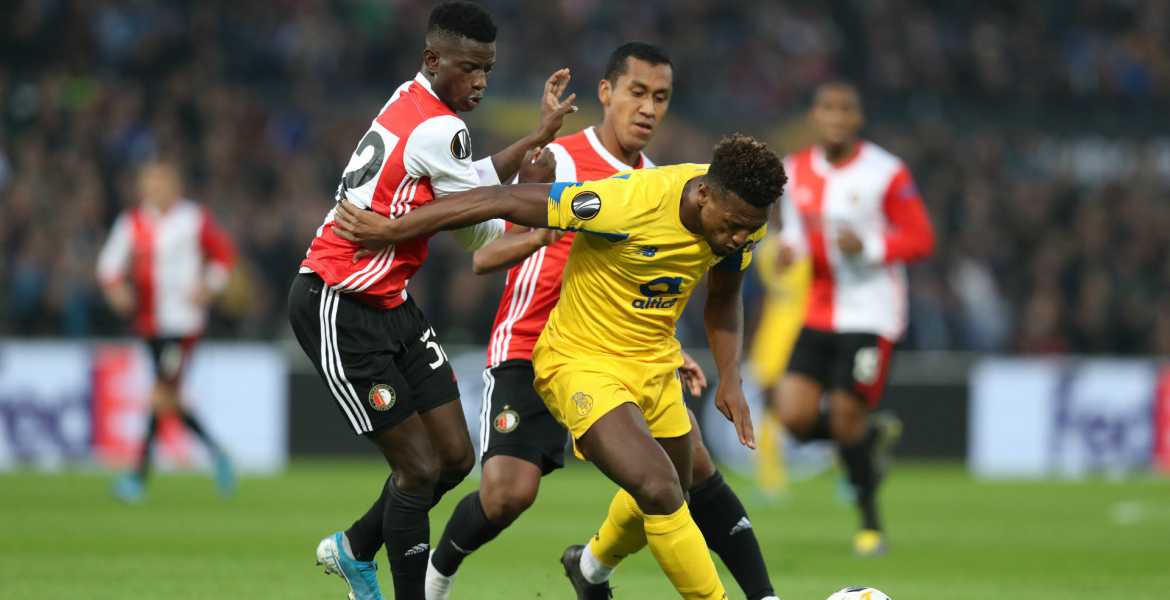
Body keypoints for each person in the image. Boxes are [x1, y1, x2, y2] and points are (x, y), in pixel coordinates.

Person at [331, 133, 787, 600]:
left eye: (749, 229)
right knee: (657, 487)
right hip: (582, 361)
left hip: (652, 362)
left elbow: (724, 297)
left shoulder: (744, 220)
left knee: (674, 489)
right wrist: (394, 229)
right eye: (733, 226)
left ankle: (590, 567)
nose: (739, 238)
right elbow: (500, 198)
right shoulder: (626, 201)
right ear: (704, 194)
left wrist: (730, 377)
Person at [423, 42, 777, 600]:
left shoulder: (679, 189)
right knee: (508, 496)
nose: (648, 108)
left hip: (626, 353)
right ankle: (435, 575)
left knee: (682, 475)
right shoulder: (559, 162)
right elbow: (483, 256)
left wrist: (675, 347)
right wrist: (543, 235)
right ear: (606, 93)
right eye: (637, 92)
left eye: (661, 97)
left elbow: (663, 285)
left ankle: (593, 567)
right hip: (534, 339)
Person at [285, 3, 576, 599]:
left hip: (389, 301)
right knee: (418, 468)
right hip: (339, 301)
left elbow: (468, 186)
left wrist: (535, 138)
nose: (480, 81)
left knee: (454, 456)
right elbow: (479, 231)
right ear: (433, 59)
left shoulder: (412, 102)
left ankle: (354, 548)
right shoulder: (442, 129)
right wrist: (536, 206)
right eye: (469, 68)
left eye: (488, 69)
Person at [770, 82, 935, 556]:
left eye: (846, 109)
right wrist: (787, 250)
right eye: (828, 109)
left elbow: (921, 238)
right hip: (819, 311)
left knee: (845, 417)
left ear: (858, 118)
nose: (837, 118)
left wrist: (872, 247)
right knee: (793, 416)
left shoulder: (886, 172)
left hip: (871, 313)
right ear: (815, 116)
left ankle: (870, 526)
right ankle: (871, 436)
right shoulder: (795, 169)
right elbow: (797, 232)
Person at [96, 159, 237, 503]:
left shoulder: (193, 219)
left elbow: (223, 257)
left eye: (160, 183)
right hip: (149, 325)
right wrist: (117, 291)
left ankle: (137, 477)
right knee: (168, 399)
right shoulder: (132, 222)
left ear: (175, 186)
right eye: (149, 183)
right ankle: (218, 453)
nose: (154, 189)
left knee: (159, 394)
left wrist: (209, 286)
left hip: (183, 325)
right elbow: (108, 266)